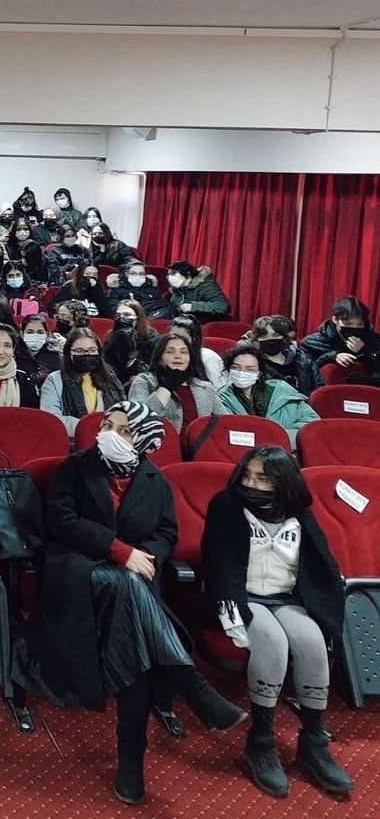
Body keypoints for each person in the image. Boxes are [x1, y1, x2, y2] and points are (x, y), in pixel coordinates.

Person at [18, 401, 246, 805]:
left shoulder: (155, 481)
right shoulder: (74, 468)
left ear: (142, 441)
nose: (108, 433)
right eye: (107, 424)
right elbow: (63, 522)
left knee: (136, 646)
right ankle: (190, 684)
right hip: (77, 573)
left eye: (122, 430)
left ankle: (132, 758)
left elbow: (166, 533)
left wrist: (147, 558)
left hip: (132, 586)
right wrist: (121, 552)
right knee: (131, 602)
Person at [201, 448, 351, 798]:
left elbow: (322, 563)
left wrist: (326, 608)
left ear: (283, 482)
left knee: (312, 642)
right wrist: (232, 611)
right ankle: (261, 741)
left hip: (286, 598)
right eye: (247, 475)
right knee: (272, 641)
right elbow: (218, 564)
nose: (251, 484)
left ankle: (313, 742)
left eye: (262, 478)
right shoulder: (226, 506)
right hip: (243, 597)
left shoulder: (298, 511)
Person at [216, 344, 318, 448]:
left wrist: (279, 437)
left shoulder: (283, 392)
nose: (242, 373)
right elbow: (225, 434)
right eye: (236, 368)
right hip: (243, 453)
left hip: (286, 451)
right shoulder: (221, 399)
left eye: (249, 369)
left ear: (259, 373)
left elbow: (312, 423)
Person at [40, 329, 126, 439]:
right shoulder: (54, 380)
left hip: (110, 440)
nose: (86, 355)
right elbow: (52, 419)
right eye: (79, 351)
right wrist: (91, 428)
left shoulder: (111, 378)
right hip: (72, 441)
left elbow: (124, 414)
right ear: (69, 353)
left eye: (92, 350)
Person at [127, 331, 221, 432]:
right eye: (170, 352)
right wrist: (167, 387)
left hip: (200, 442)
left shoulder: (205, 387)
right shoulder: (144, 381)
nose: (178, 356)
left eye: (184, 352)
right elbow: (139, 420)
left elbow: (226, 423)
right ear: (159, 359)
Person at [301, 295, 380, 383]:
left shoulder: (373, 340)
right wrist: (331, 356)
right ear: (335, 319)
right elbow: (304, 374)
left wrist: (364, 351)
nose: (354, 327)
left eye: (359, 324)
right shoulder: (312, 342)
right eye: (348, 323)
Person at [250, 315, 316, 395]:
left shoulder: (302, 360)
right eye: (264, 336)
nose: (270, 339)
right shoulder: (253, 365)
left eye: (275, 335)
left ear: (284, 337)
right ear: (256, 341)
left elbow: (319, 389)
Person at [169, 313, 227, 387]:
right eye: (173, 336)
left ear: (193, 339)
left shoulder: (208, 359)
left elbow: (221, 390)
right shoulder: (164, 357)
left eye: (183, 338)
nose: (177, 341)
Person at [166, 261, 231, 323]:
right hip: (186, 323)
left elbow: (222, 306)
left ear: (187, 273)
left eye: (173, 273)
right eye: (169, 274)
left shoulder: (205, 286)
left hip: (207, 323)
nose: (170, 277)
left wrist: (193, 306)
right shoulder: (177, 290)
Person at [106, 261, 171, 319]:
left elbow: (162, 305)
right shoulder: (116, 289)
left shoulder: (151, 288)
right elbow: (113, 308)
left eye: (141, 274)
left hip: (151, 319)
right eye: (133, 273)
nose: (137, 276)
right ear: (126, 274)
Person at [16, 313, 62, 385]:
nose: (35, 336)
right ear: (22, 334)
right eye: (30, 332)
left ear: (46, 334)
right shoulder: (14, 353)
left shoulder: (54, 355)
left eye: (40, 332)